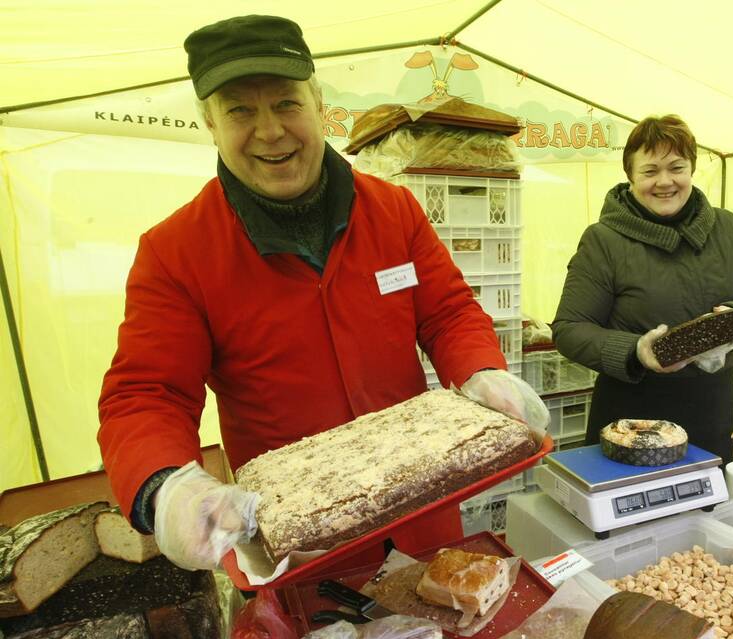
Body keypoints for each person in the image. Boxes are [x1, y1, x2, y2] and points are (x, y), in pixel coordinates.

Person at [98, 15, 546, 571]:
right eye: (240, 110)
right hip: (304, 549)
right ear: (210, 124)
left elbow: (448, 312)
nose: (269, 131)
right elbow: (147, 392)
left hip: (423, 519)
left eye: (286, 103)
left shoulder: (393, 210)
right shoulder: (176, 251)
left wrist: (482, 371)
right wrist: (166, 485)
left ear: (318, 107)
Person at [552, 114, 733, 464]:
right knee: (639, 513)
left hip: (714, 411)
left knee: (713, 512)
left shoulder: (725, 227)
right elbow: (569, 330)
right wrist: (636, 351)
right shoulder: (604, 240)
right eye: (650, 171)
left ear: (691, 169)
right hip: (632, 418)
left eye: (676, 167)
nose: (665, 182)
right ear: (630, 176)